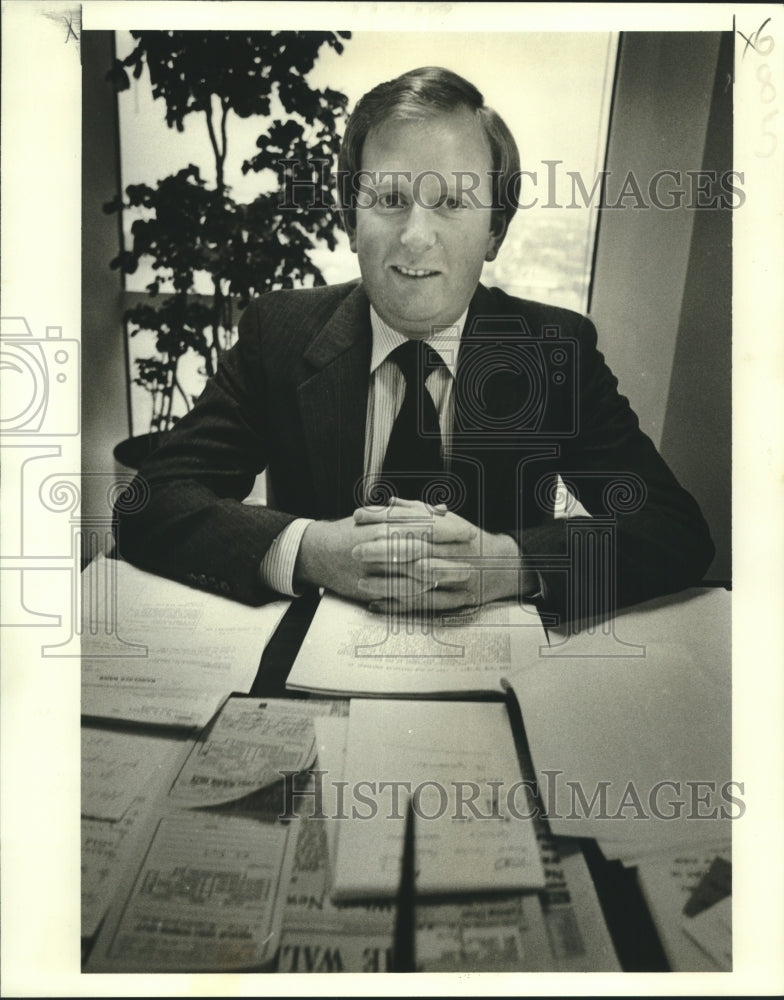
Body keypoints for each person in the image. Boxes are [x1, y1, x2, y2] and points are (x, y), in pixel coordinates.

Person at [113, 66, 714, 624]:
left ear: (495, 233)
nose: (416, 236)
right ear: (351, 219)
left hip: (497, 677)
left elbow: (673, 531)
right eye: (390, 199)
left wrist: (511, 564)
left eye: (452, 203)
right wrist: (310, 549)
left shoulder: (558, 351)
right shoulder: (280, 332)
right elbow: (150, 501)